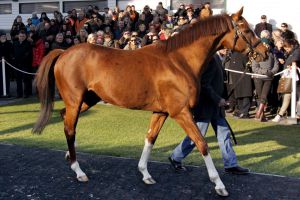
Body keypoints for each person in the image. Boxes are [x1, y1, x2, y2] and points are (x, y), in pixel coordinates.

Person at [169, 50, 250, 175]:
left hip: (215, 106)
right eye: (224, 47)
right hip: (206, 105)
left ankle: (231, 164)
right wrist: (218, 99)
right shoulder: (210, 59)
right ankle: (176, 157)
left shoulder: (218, 58)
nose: (227, 49)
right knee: (197, 135)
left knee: (224, 134)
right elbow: (204, 84)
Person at [272, 39, 300, 122]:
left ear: (291, 45)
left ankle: (297, 115)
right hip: (288, 77)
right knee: (286, 96)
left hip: (296, 79)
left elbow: (295, 61)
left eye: (287, 48)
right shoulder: (291, 52)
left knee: (297, 97)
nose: (286, 49)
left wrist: (291, 65)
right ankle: (280, 115)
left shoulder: (297, 51)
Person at [252, 38, 279, 121]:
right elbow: (254, 68)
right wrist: (265, 71)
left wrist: (271, 72)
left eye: (267, 44)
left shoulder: (272, 54)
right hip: (258, 78)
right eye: (264, 44)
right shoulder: (257, 55)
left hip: (268, 78)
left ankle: (258, 112)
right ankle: (262, 116)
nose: (266, 46)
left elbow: (276, 65)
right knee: (260, 96)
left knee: (264, 96)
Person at [12, 30, 32, 98]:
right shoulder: (15, 43)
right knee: (18, 80)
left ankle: (26, 93)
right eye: (20, 36)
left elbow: (28, 53)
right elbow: (12, 52)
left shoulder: (28, 43)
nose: (22, 37)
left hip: (25, 64)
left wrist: (22, 58)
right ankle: (19, 94)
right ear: (18, 36)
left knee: (26, 79)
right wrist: (13, 58)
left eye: (23, 36)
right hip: (16, 64)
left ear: (25, 36)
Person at [0, 32, 13, 97]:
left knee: (7, 79)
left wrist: (6, 59)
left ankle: (7, 92)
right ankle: (1, 92)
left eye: (4, 36)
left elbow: (11, 54)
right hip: (0, 64)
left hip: (7, 64)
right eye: (2, 36)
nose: (3, 37)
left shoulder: (9, 44)